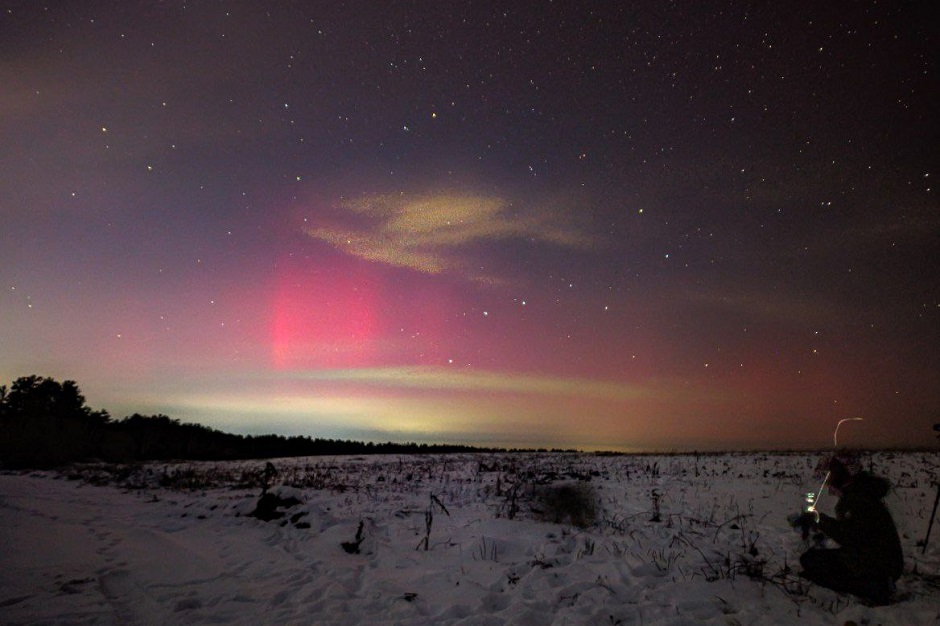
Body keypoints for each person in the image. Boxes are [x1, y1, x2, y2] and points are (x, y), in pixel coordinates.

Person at [797, 455, 904, 605]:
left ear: (843, 474)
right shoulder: (860, 493)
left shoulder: (856, 499)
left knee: (812, 562)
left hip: (878, 565)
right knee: (813, 561)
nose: (828, 481)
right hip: (880, 560)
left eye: (831, 474)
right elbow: (856, 534)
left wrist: (818, 520)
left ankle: (872, 587)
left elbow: (848, 535)